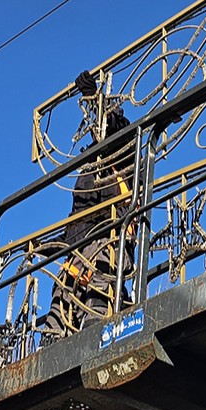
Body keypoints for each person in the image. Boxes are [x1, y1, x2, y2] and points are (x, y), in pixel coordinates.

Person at [39, 72, 134, 342]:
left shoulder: (121, 147)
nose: (93, 126)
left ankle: (99, 338)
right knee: (62, 292)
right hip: (79, 244)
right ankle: (51, 344)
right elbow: (76, 218)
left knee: (99, 289)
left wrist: (93, 97)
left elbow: (112, 123)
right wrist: (51, 245)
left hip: (109, 235)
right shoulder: (88, 166)